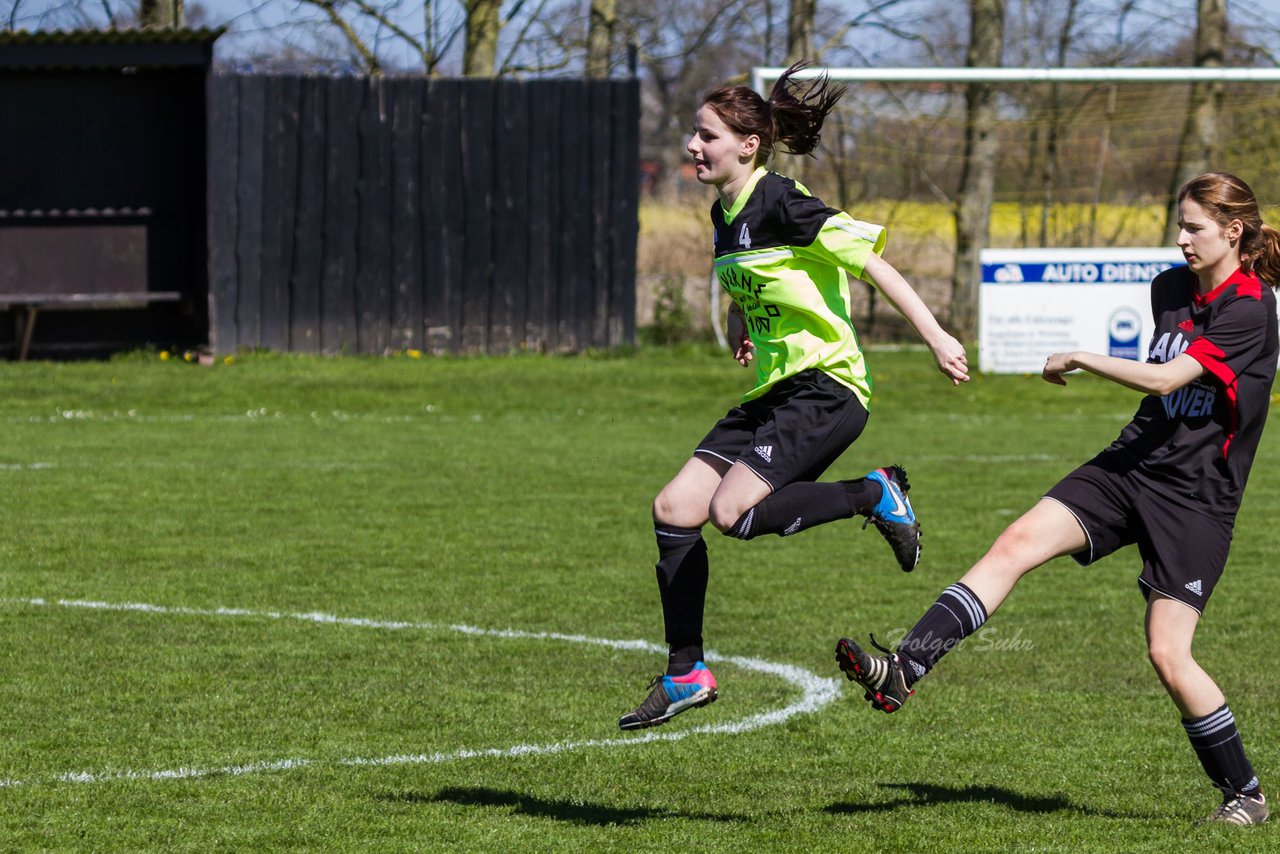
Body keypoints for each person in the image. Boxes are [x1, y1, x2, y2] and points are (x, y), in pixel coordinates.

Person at [836, 171, 1279, 825]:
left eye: (1193, 227)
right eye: (1178, 224)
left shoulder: (1250, 308)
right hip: (1129, 466)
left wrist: (1080, 355)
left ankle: (1245, 794)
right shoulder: (1169, 290)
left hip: (1196, 499)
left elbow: (1165, 380)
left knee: (1167, 652)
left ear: (1232, 232)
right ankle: (904, 669)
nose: (1179, 239)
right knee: (1014, 543)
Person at [618, 62, 970, 732]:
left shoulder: (783, 200)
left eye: (706, 135)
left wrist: (935, 335)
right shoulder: (725, 213)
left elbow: (870, 262)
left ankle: (875, 494)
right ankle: (686, 672)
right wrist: (740, 325)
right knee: (674, 507)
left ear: (747, 144)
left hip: (826, 387)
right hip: (774, 390)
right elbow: (755, 284)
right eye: (695, 134)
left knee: (732, 513)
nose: (693, 146)